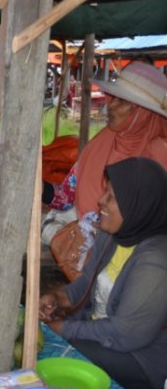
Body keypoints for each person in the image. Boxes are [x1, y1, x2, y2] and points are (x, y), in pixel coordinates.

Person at [39, 157, 167, 389]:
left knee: (46, 356)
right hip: (99, 333)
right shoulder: (113, 235)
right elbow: (87, 282)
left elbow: (125, 334)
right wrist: (59, 297)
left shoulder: (156, 261)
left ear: (139, 206)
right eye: (105, 191)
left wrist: (66, 329)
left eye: (112, 197)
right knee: (37, 344)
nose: (101, 201)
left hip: (138, 357)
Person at [43, 63, 167, 220]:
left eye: (121, 101)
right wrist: (40, 188)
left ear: (144, 113)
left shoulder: (160, 159)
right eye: (113, 97)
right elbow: (65, 197)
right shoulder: (100, 144)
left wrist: (99, 232)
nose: (111, 105)